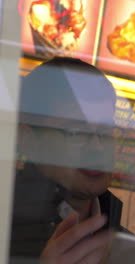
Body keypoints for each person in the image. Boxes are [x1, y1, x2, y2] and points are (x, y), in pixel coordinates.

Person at [9, 57, 124, 264]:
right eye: (76, 131)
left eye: (105, 131)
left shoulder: (127, 249)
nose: (97, 147)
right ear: (28, 140)